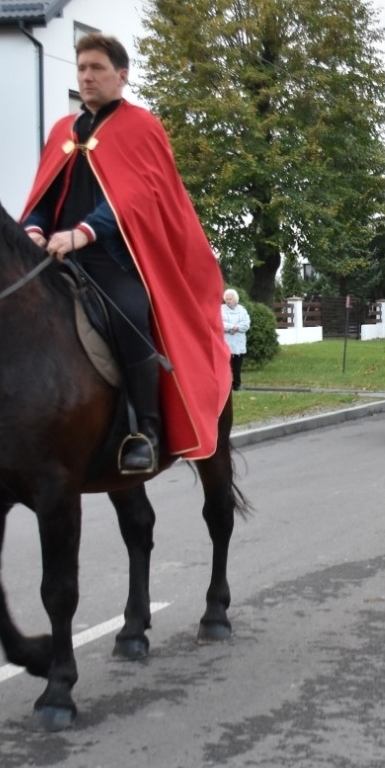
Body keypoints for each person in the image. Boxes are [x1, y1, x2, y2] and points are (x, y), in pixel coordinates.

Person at [21, 32, 229, 473]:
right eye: (81, 68)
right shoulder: (63, 131)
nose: (87, 76)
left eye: (96, 68)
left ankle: (146, 431)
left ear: (122, 75)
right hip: (53, 255)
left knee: (130, 317)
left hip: (113, 260)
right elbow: (43, 191)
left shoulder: (141, 126)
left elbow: (138, 196)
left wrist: (83, 233)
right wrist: (34, 227)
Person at [221, 289, 251, 391]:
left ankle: (237, 385)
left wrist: (237, 328)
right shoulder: (221, 309)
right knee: (225, 366)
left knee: (237, 366)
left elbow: (246, 324)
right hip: (226, 341)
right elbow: (219, 323)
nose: (228, 301)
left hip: (238, 341)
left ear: (235, 299)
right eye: (227, 299)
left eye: (230, 299)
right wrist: (231, 327)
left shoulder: (242, 310)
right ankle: (225, 386)